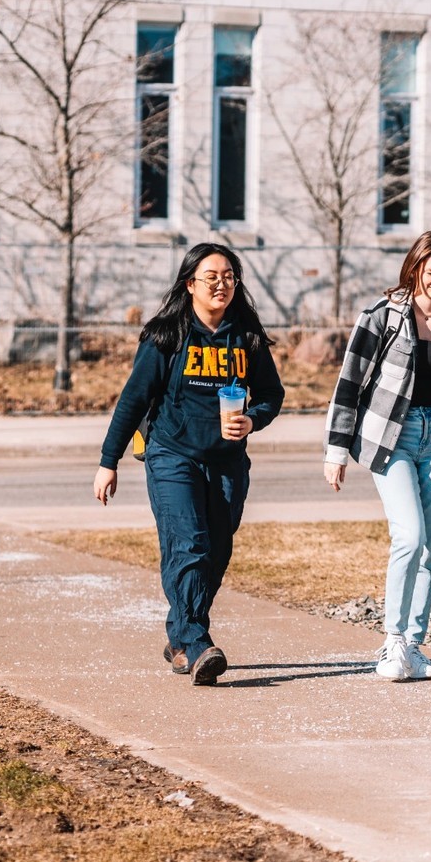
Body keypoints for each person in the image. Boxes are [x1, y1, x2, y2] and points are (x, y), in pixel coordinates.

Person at [93, 243, 284, 687]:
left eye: (229, 276)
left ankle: (180, 630)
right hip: (171, 453)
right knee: (189, 545)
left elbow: (272, 394)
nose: (222, 284)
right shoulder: (167, 335)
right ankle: (197, 643)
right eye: (211, 276)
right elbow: (134, 399)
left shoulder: (247, 337)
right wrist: (109, 461)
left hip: (227, 461)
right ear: (190, 284)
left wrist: (253, 420)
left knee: (217, 550)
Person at [324, 231, 431, 680]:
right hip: (391, 436)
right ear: (415, 268)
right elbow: (349, 385)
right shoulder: (382, 316)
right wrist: (336, 449)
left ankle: (414, 647)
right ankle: (392, 642)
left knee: (429, 548)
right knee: (410, 536)